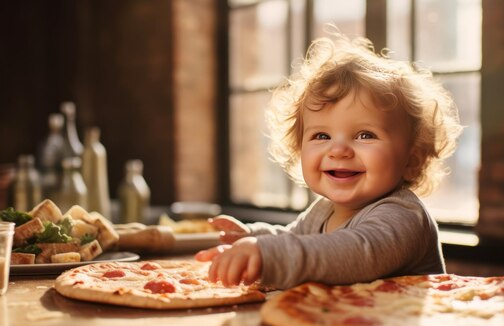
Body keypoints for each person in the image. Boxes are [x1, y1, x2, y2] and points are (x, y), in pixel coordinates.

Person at [195, 31, 462, 289]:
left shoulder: (404, 217)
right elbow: (292, 239)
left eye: (365, 135)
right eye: (322, 135)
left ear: (411, 159)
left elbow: (354, 253)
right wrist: (252, 238)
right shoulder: (323, 211)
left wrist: (268, 254)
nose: (338, 150)